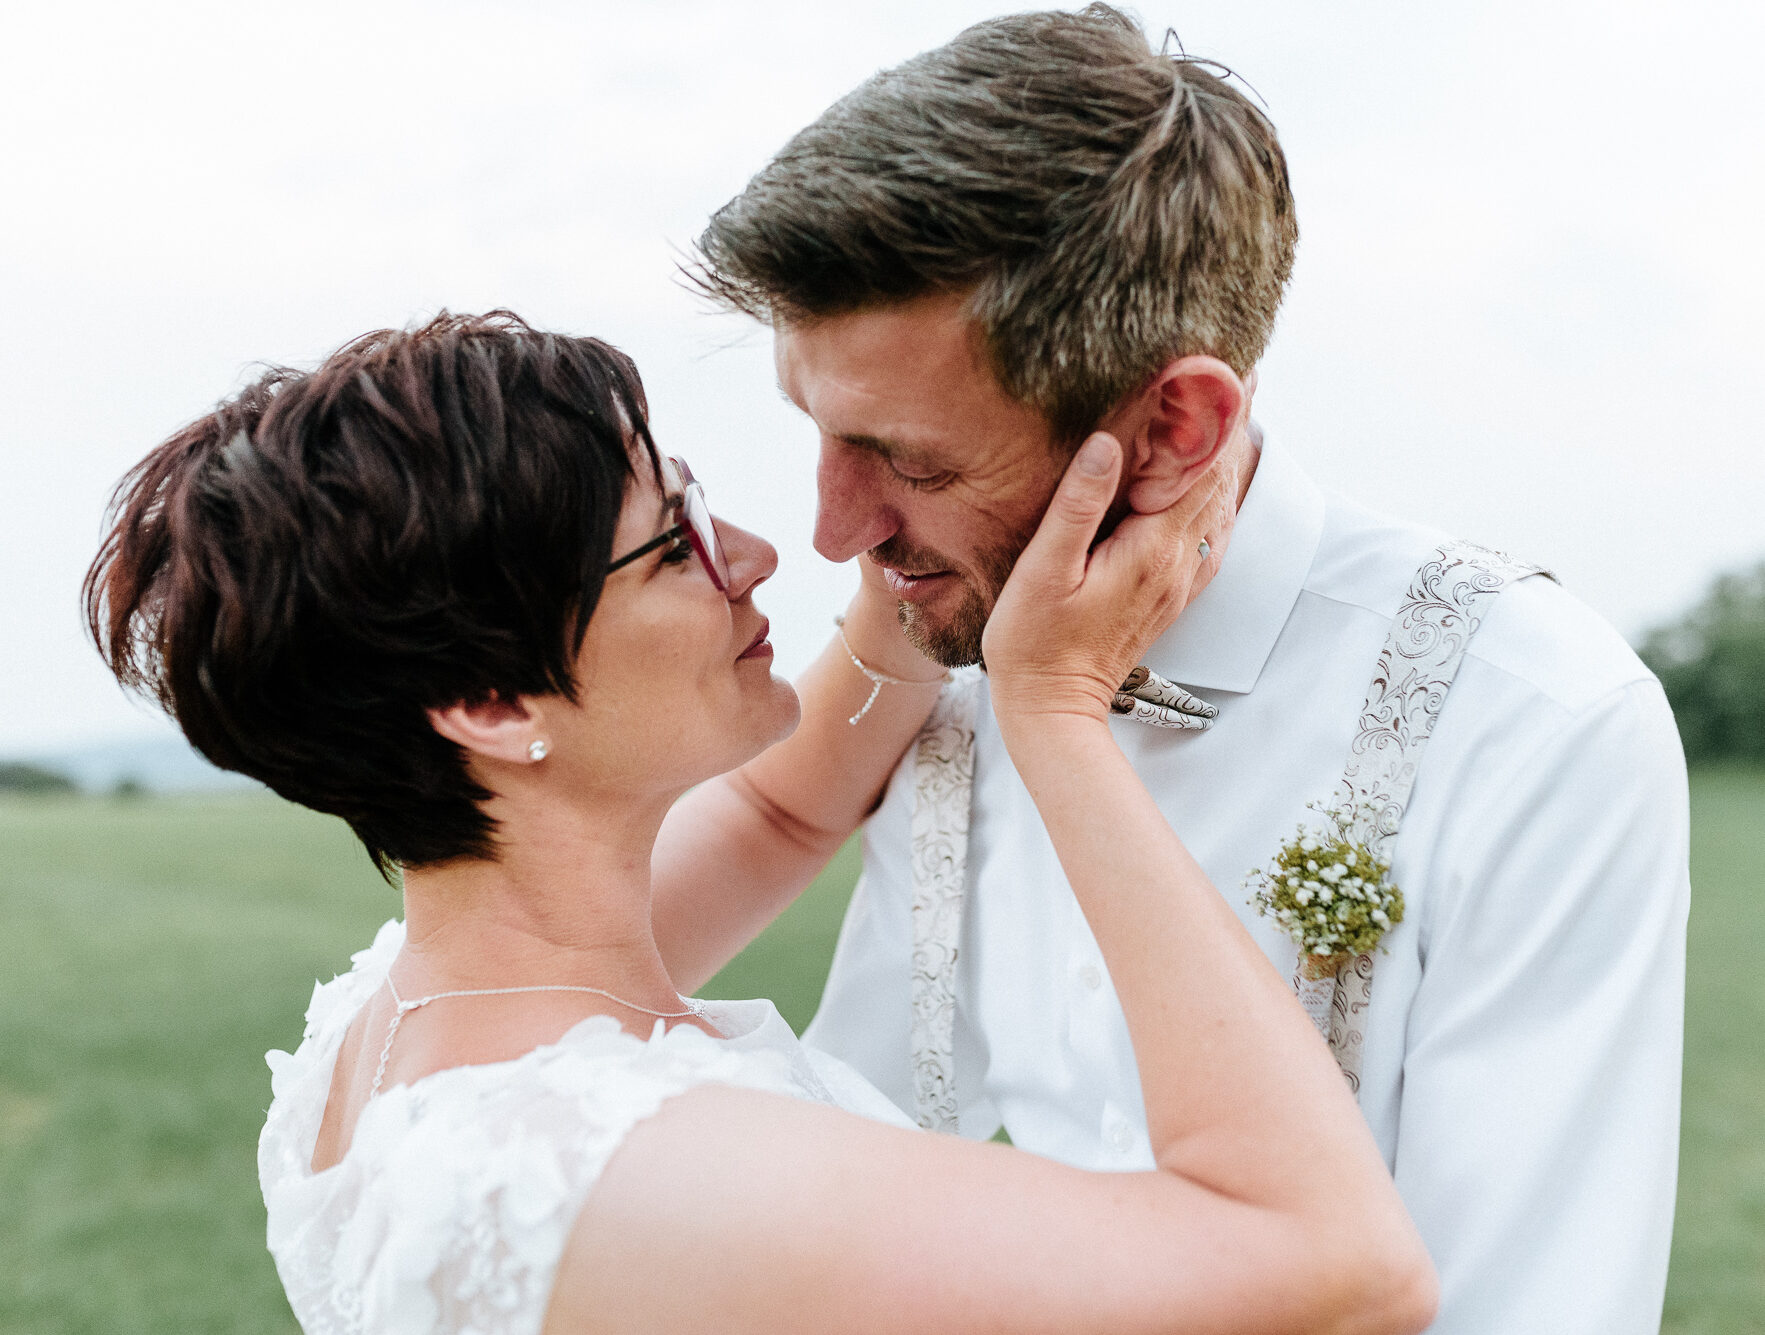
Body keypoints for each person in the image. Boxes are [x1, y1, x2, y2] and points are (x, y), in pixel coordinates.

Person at [84, 312, 1434, 1334]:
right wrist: (1056, 708)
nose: (759, 552)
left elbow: (785, 810)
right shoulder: (635, 1168)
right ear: (492, 704)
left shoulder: (412, 1021)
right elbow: (1335, 1265)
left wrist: (927, 570)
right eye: (671, 546)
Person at [687, 6, 1691, 1333]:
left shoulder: (1535, 721)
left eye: (913, 462)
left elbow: (1525, 1301)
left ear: (1174, 424)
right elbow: (867, 1129)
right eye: (814, 431)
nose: (833, 533)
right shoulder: (950, 655)